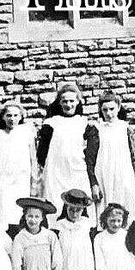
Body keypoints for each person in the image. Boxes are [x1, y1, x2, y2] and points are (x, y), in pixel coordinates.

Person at [37, 84, 98, 227]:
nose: (68, 104)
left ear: (78, 101)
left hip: (78, 171)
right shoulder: (51, 123)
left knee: (79, 203)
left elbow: (90, 153)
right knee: (56, 206)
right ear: (59, 103)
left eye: (72, 101)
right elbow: (42, 153)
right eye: (64, 101)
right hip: (56, 173)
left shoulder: (84, 123)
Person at [0, 102, 37, 234]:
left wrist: (34, 183)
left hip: (20, 180)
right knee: (2, 210)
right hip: (1, 181)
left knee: (18, 210)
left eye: (16, 115)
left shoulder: (27, 134)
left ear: (21, 117)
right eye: (9, 115)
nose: (12, 119)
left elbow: (33, 160)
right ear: (3, 117)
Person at [92, 92, 135, 223]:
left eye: (112, 109)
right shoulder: (97, 129)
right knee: (106, 210)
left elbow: (133, 156)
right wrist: (94, 183)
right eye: (105, 110)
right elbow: (91, 158)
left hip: (123, 174)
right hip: (104, 175)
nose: (109, 113)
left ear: (118, 107)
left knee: (125, 209)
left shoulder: (125, 128)